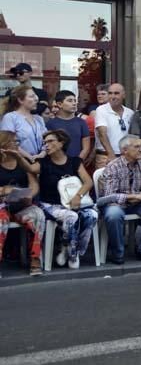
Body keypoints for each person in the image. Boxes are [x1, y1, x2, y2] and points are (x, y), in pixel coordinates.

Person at [32, 129, 96, 269]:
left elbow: (88, 182)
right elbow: (29, 169)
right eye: (44, 143)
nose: (46, 146)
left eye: (50, 141)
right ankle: (72, 252)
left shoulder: (74, 161)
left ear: (61, 143)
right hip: (50, 204)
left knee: (92, 215)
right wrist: (19, 156)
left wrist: (78, 196)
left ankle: (68, 248)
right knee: (72, 217)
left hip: (72, 202)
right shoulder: (43, 163)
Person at [100, 135, 141, 264]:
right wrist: (133, 196)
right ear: (124, 151)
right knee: (113, 214)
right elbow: (110, 195)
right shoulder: (113, 166)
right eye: (137, 147)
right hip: (116, 204)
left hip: (136, 203)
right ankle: (117, 252)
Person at [0, 130, 45, 276]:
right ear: (4, 144)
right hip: (1, 204)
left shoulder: (22, 162)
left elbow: (34, 186)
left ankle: (35, 258)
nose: (17, 145)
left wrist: (28, 196)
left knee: (37, 214)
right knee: (1, 219)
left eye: (18, 142)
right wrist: (4, 190)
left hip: (20, 205)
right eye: (14, 142)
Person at [0, 86, 47, 161]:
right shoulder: (10, 117)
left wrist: (42, 154)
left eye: (35, 96)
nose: (36, 99)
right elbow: (8, 142)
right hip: (19, 162)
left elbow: (46, 139)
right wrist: (29, 157)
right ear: (20, 100)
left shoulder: (39, 119)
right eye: (32, 96)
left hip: (40, 161)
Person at [94, 83, 134, 169]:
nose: (113, 96)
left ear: (124, 95)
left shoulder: (130, 113)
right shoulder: (101, 110)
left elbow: (132, 137)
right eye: (110, 93)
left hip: (126, 157)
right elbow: (102, 134)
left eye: (116, 93)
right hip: (105, 157)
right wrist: (111, 155)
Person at [46, 90, 91, 161]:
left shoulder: (81, 122)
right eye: (70, 101)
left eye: (75, 100)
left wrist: (77, 162)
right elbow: (48, 146)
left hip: (76, 164)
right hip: (56, 163)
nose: (74, 103)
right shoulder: (51, 123)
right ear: (60, 104)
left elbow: (86, 148)